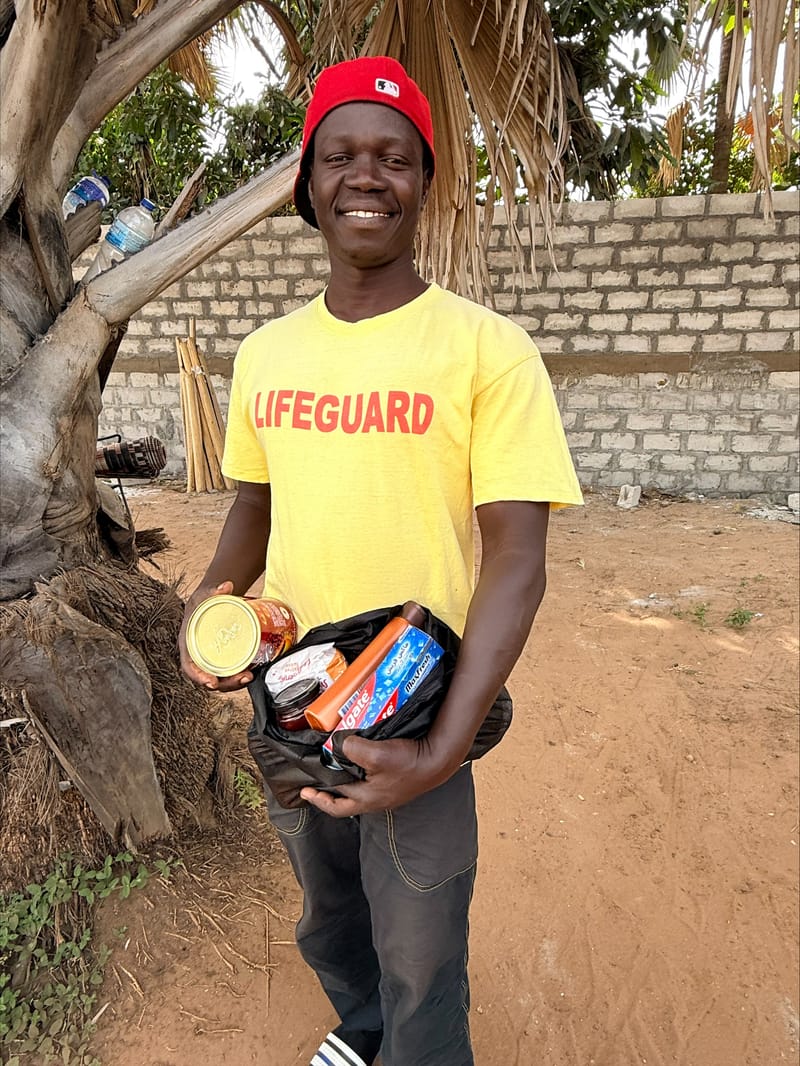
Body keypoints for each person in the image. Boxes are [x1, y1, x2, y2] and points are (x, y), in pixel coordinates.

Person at [179, 55, 583, 1066]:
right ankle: (360, 1031)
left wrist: (440, 749)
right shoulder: (267, 353)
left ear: (423, 181)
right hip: (292, 697)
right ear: (309, 183)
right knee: (327, 919)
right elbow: (251, 509)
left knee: (421, 947)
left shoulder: (487, 351)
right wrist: (209, 603)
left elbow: (517, 560)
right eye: (342, 156)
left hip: (413, 712)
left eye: (393, 158)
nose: (368, 177)